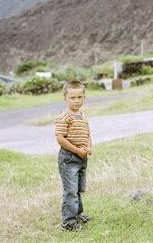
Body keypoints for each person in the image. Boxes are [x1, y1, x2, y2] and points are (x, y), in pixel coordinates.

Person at [55, 81, 93, 231]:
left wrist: (89, 146)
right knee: (70, 190)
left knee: (77, 188)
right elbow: (60, 138)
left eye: (80, 97)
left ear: (84, 97)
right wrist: (77, 150)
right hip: (69, 158)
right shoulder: (64, 117)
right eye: (73, 97)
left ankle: (77, 215)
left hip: (82, 157)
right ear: (65, 98)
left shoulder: (82, 117)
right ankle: (68, 222)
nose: (77, 100)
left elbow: (87, 134)